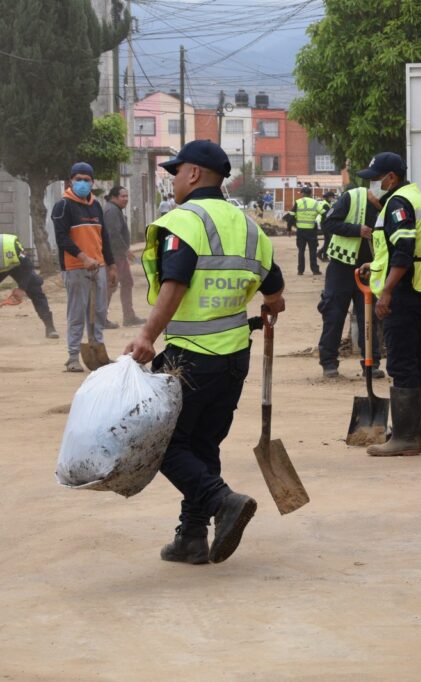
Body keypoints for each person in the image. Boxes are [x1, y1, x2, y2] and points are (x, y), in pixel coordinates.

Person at [127, 140, 286, 565]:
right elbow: (276, 293)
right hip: (234, 358)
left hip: (191, 356)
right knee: (203, 444)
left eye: (176, 172)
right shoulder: (250, 227)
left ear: (194, 174)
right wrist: (268, 307)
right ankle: (192, 537)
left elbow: (174, 285)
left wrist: (146, 337)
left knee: (160, 443)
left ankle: (222, 501)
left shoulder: (185, 221)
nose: (173, 179)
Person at [357, 152, 421, 456]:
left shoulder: (398, 204)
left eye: (377, 179)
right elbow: (397, 250)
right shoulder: (415, 198)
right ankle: (420, 436)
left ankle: (405, 437)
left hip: (402, 294)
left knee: (402, 363)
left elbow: (403, 250)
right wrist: (375, 266)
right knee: (416, 361)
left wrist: (387, 290)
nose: (374, 185)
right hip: (416, 290)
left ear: (391, 177)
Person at [51, 162, 117, 373]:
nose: (82, 183)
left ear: (92, 182)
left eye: (86, 180)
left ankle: (97, 350)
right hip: (75, 267)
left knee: (98, 312)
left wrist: (112, 265)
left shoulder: (96, 206)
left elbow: (103, 237)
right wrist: (84, 257)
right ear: (70, 181)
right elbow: (62, 239)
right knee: (77, 312)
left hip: (99, 267)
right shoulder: (63, 206)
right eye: (78, 179)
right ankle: (72, 357)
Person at [318, 185, 384, 379]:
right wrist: (357, 230)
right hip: (342, 266)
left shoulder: (388, 206)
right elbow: (329, 223)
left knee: (369, 318)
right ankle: (329, 362)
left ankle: (371, 364)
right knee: (334, 314)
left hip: (369, 269)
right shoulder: (351, 198)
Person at [102, 185, 145, 328]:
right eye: (123, 196)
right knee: (111, 285)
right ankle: (102, 318)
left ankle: (128, 316)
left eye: (127, 196)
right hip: (114, 256)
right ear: (114, 197)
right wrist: (125, 251)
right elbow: (113, 234)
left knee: (125, 283)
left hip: (117, 255)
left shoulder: (114, 209)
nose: (126, 199)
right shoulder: (112, 211)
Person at [290, 186, 321, 276]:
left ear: (303, 193)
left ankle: (300, 270)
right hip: (311, 231)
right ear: (310, 194)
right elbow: (324, 213)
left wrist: (289, 228)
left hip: (301, 231)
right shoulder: (315, 203)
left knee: (301, 251)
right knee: (313, 251)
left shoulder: (298, 202)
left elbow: (291, 215)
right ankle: (315, 270)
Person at [317, 190, 335, 261]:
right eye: (332, 197)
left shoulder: (327, 204)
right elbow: (327, 215)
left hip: (325, 224)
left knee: (328, 240)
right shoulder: (325, 205)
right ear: (328, 197)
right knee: (328, 241)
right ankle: (324, 256)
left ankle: (320, 253)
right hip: (325, 224)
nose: (333, 198)